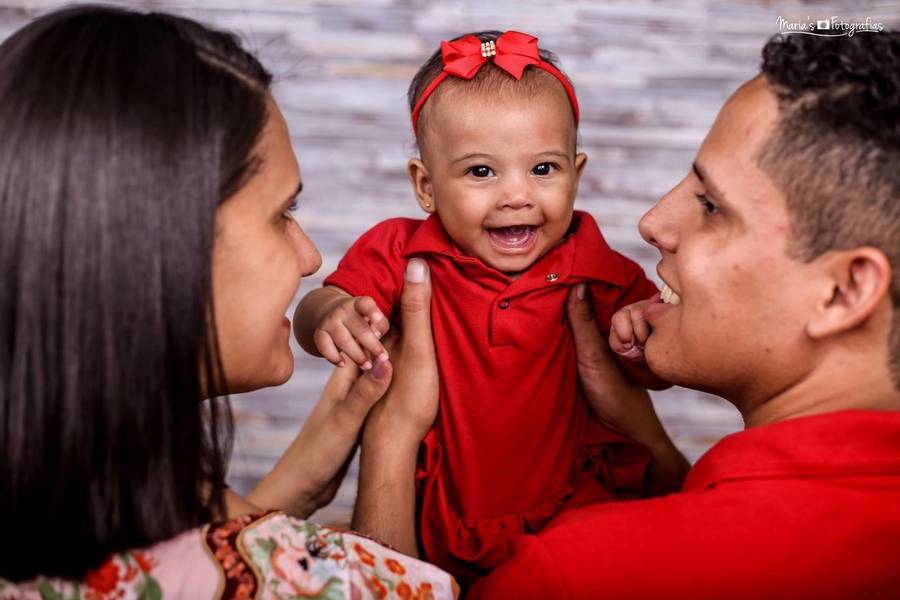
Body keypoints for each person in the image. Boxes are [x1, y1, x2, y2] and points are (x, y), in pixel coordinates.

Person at [358, 30, 900, 599]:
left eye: (711, 207)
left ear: (844, 291)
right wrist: (646, 438)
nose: (652, 222)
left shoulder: (572, 575)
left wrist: (392, 437)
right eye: (481, 171)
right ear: (425, 184)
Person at [0, 6, 455, 598]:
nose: (310, 257)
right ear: (161, 251)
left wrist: (300, 479)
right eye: (282, 215)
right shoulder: (312, 581)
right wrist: (393, 433)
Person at [293, 30, 680, 585]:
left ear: (577, 173)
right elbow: (317, 307)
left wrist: (639, 335)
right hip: (443, 509)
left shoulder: (597, 267)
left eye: (543, 169)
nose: (516, 195)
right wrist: (331, 315)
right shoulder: (404, 252)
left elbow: (659, 366)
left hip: (570, 501)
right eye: (481, 172)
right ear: (425, 186)